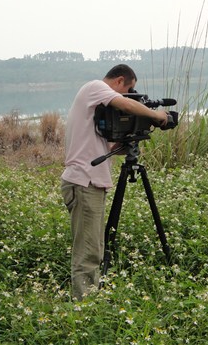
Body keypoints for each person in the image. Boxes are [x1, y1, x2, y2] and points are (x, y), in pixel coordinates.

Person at [61, 64, 168, 300]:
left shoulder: (95, 107)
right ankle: (84, 308)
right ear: (120, 81)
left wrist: (130, 141)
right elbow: (126, 104)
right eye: (127, 90)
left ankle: (88, 297)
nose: (125, 97)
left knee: (94, 247)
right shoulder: (95, 87)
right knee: (88, 251)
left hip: (87, 183)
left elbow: (107, 150)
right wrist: (155, 115)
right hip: (84, 184)